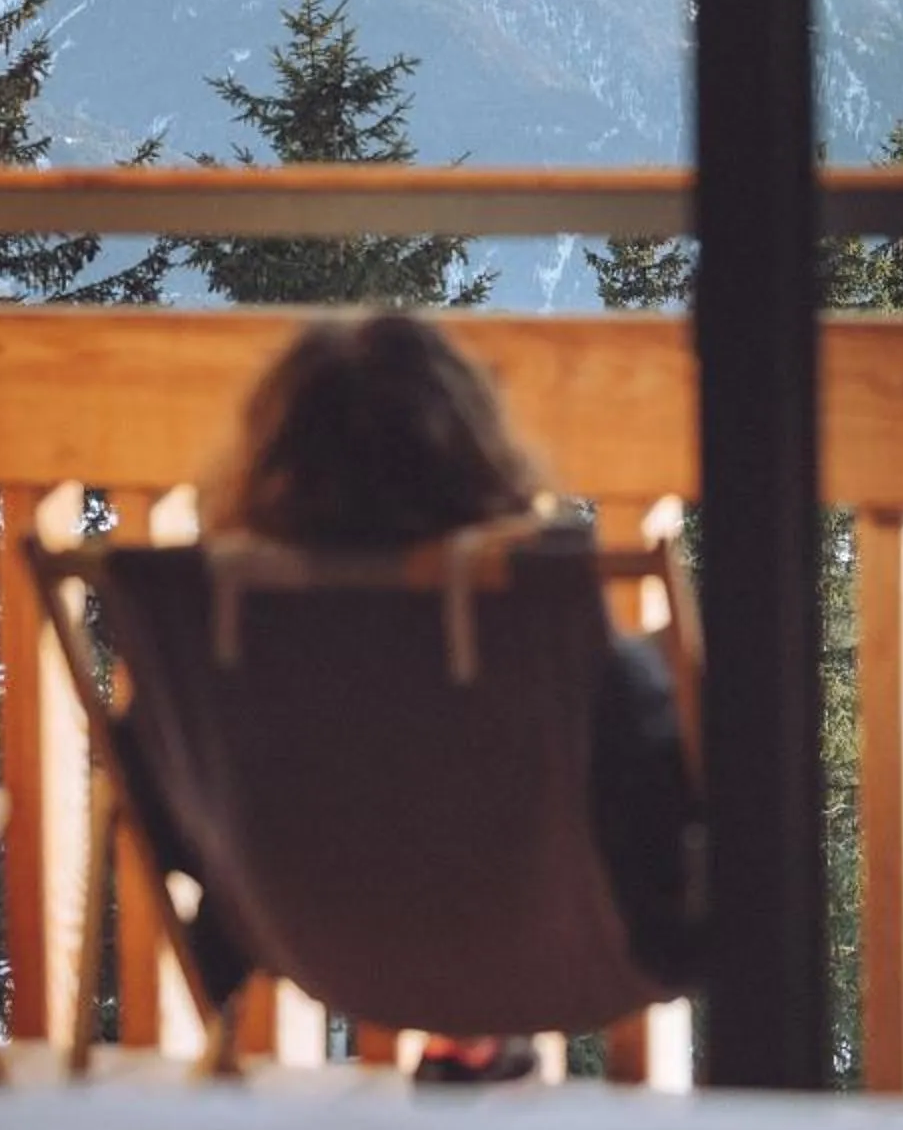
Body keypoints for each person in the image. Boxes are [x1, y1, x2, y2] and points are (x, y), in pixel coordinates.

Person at [198, 311, 703, 1082]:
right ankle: (481, 1030)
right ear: (481, 459)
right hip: (569, 940)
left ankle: (470, 1038)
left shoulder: (226, 648)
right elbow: (660, 816)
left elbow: (168, 809)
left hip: (325, 948)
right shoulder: (551, 648)